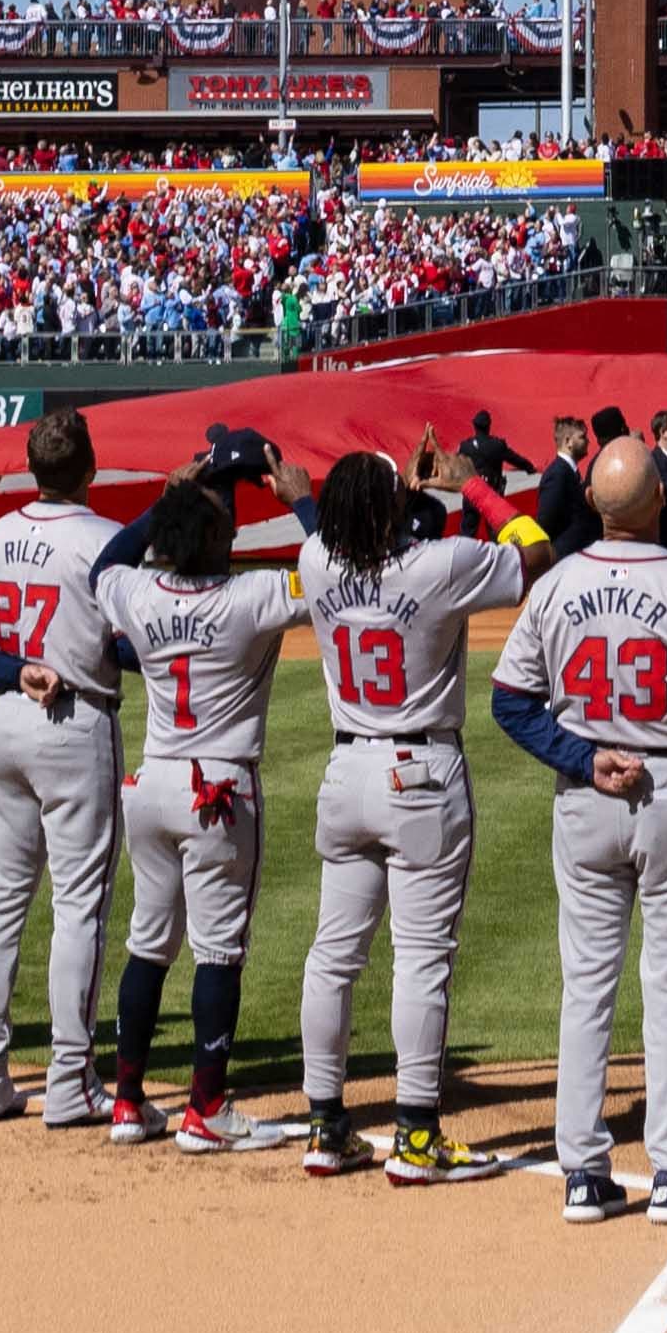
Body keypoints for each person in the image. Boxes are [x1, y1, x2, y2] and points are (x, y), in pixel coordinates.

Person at [499, 438, 667, 1220]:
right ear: (661, 498)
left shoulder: (555, 586)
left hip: (585, 790)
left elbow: (510, 702)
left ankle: (583, 1171)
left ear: (591, 503)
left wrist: (582, 756)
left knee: (586, 983)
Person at [293, 446, 507, 1178]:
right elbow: (534, 549)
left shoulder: (314, 559)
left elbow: (323, 528)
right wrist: (466, 482)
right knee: (420, 958)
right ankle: (415, 1133)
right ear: (392, 505)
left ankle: (324, 1126)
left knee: (332, 956)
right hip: (419, 770)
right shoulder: (437, 564)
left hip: (346, 765)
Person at [78, 470, 296, 1145]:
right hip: (218, 788)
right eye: (224, 523)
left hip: (153, 783)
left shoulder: (138, 589)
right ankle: (205, 1109)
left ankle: (127, 1100)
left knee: (147, 943)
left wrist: (165, 503)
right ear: (206, 539)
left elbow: (105, 564)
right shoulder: (251, 594)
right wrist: (302, 502)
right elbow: (329, 575)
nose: (235, 529)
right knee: (218, 951)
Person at [0, 429, 132, 1131]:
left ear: (31, 469)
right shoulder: (105, 538)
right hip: (74, 723)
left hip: (1, 723)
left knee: (0, 896)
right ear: (92, 465)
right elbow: (126, 642)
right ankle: (68, 1079)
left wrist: (12, 669)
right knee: (77, 904)